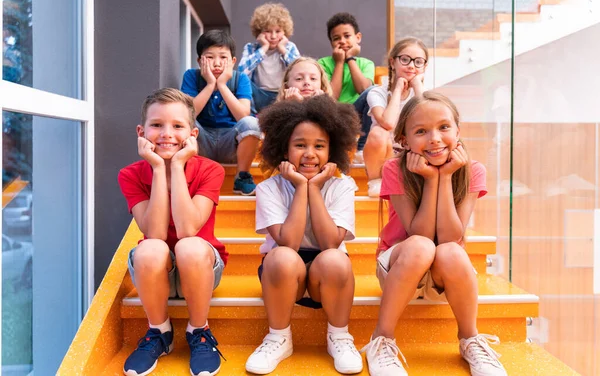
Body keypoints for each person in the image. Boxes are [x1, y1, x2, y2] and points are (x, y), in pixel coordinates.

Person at [360, 91, 507, 376]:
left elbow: (451, 237)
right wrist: (431, 180)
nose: (435, 139)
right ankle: (382, 339)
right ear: (404, 140)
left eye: (443, 127)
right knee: (420, 247)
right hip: (400, 268)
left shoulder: (472, 170)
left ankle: (470, 339)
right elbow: (421, 234)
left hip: (445, 275)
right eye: (420, 131)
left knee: (451, 250)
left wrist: (448, 176)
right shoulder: (394, 169)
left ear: (458, 131)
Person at [245, 96, 364, 375]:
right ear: (284, 150)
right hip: (285, 276)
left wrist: (315, 188)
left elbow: (330, 243)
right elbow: (289, 242)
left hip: (328, 275)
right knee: (282, 256)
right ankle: (278, 336)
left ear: (332, 150)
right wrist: (302, 187)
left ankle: (339, 336)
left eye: (319, 146)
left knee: (335, 258)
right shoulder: (269, 188)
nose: (310, 153)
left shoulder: (342, 186)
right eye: (300, 145)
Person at [118, 88, 228, 376]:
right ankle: (159, 331)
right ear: (142, 131)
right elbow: (153, 232)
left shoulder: (211, 170)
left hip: (200, 268)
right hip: (155, 270)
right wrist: (157, 168)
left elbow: (188, 228)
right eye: (157, 125)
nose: (167, 133)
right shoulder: (130, 175)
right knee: (150, 247)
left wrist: (177, 165)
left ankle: (199, 330)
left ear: (192, 135)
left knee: (189, 245)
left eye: (178, 126)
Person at [181, 29, 261, 196]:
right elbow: (188, 115)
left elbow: (243, 115)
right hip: (202, 142)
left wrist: (223, 85)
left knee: (252, 123)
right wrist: (210, 85)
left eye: (223, 57)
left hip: (230, 144)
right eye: (210, 57)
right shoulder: (191, 76)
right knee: (183, 123)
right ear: (199, 60)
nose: (217, 63)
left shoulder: (240, 79)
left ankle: (242, 178)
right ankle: (192, 177)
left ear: (232, 61)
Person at [363, 37, 428, 197]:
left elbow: (429, 120)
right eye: (405, 60)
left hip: (411, 156)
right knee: (379, 132)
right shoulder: (377, 92)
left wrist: (418, 87)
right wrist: (398, 89)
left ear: (424, 66)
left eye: (418, 62)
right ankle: (376, 181)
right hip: (383, 156)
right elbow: (388, 123)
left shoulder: (424, 95)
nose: (412, 66)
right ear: (393, 62)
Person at [318, 12, 375, 159]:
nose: (342, 41)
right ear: (331, 43)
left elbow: (363, 90)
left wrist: (350, 59)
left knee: (373, 92)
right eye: (336, 38)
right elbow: (331, 97)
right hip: (334, 113)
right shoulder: (323, 63)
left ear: (358, 37)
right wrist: (338, 63)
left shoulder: (366, 63)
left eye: (347, 36)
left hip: (358, 114)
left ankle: (361, 149)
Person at [238, 2, 300, 111]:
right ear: (259, 32)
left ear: (285, 32)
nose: (273, 36)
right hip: (258, 94)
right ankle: (252, 116)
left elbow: (299, 70)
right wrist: (263, 49)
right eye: (268, 31)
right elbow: (241, 72)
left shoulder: (289, 47)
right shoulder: (251, 48)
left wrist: (282, 50)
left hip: (282, 94)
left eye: (278, 31)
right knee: (243, 83)